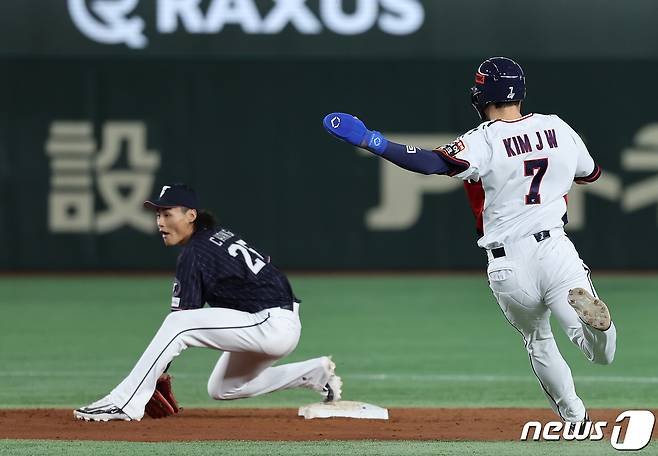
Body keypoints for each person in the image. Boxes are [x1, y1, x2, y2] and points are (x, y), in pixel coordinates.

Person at [322, 56, 615, 425]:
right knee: (597, 351)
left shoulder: (484, 139)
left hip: (508, 263)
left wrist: (371, 140)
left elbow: (432, 163)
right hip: (556, 248)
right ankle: (595, 332)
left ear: (482, 94)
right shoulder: (557, 127)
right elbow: (590, 174)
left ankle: (574, 417)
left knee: (539, 340)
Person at [74, 183, 342, 421]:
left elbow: (181, 321)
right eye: (158, 214)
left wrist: (154, 377)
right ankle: (314, 373)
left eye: (168, 213)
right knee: (223, 388)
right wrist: (156, 374)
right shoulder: (215, 237)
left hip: (269, 324)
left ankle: (124, 402)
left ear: (191, 215)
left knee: (177, 324)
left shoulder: (196, 252)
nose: (160, 222)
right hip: (272, 322)